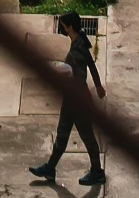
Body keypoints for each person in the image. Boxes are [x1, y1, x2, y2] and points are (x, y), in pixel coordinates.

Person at [29, 12, 106, 186]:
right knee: (63, 133)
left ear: (69, 26)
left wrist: (63, 72)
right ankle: (50, 167)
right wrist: (98, 85)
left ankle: (97, 171)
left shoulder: (78, 47)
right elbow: (90, 66)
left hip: (78, 99)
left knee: (86, 135)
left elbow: (80, 73)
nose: (62, 28)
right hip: (71, 98)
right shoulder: (77, 43)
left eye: (63, 25)